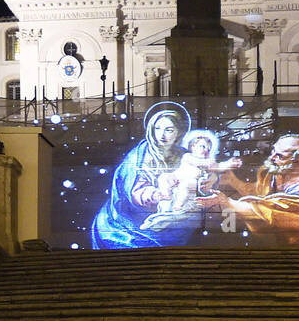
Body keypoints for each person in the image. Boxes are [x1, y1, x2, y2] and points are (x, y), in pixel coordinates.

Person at [90, 102, 218, 249]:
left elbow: (205, 174)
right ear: (151, 129)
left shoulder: (183, 154)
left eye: (169, 130)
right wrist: (157, 195)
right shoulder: (139, 155)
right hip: (128, 224)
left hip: (173, 216)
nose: (162, 135)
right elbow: (133, 191)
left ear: (179, 132)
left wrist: (212, 179)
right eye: (157, 128)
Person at [143, 130, 242, 226]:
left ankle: (178, 205)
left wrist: (229, 164)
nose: (205, 150)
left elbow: (218, 167)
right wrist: (209, 163)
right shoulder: (188, 157)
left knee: (186, 186)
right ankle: (166, 195)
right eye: (202, 146)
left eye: (208, 149)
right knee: (164, 177)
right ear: (193, 146)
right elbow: (199, 163)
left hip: (190, 182)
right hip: (177, 177)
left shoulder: (209, 161)